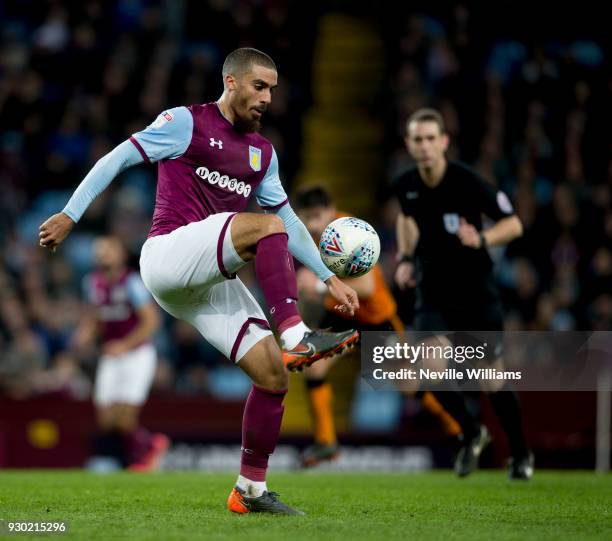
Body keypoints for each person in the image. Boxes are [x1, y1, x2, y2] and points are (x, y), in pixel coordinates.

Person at [39, 48, 360, 515]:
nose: (268, 97)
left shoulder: (262, 153)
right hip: (168, 256)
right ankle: (296, 333)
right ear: (231, 82)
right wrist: (71, 214)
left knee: (272, 376)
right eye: (259, 86)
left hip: (206, 279)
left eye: (272, 88)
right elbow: (116, 158)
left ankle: (249, 491)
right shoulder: (185, 122)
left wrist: (329, 277)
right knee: (262, 228)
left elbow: (287, 219)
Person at [393, 108, 533, 480]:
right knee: (429, 365)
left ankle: (520, 452)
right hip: (434, 293)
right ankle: (472, 432)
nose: (423, 146)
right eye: (416, 140)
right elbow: (406, 217)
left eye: (429, 139)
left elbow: (514, 224)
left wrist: (482, 238)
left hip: (476, 295)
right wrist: (406, 258)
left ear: (443, 142)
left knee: (491, 381)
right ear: (409, 144)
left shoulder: (468, 182)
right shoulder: (406, 183)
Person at [293, 185, 461, 467]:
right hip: (341, 315)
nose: (312, 224)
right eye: (306, 217)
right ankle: (326, 443)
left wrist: (320, 288)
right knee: (314, 364)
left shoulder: (349, 235)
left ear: (332, 211)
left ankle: (458, 429)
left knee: (408, 385)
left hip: (375, 318)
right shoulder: (306, 237)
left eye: (317, 216)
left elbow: (368, 286)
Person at [72, 236, 168, 471]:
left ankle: (141, 456)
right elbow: (95, 315)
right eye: (99, 250)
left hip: (136, 354)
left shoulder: (132, 283)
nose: (102, 254)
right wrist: (85, 333)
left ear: (121, 254)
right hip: (111, 355)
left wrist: (124, 345)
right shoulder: (91, 283)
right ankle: (148, 446)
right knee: (106, 420)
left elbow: (151, 322)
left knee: (125, 418)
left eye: (108, 249)